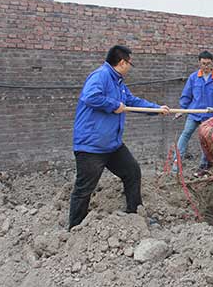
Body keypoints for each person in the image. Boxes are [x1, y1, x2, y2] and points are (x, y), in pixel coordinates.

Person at [69, 45, 170, 230]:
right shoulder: (101, 76)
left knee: (132, 171)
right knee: (84, 189)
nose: (130, 67)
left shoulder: (118, 82)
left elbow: (132, 101)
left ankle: (134, 213)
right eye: (130, 63)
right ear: (122, 62)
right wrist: (113, 104)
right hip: (92, 146)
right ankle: (75, 227)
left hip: (112, 145)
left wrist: (156, 109)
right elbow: (90, 96)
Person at [173, 51, 213, 176]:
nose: (206, 66)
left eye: (208, 64)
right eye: (203, 64)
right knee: (185, 135)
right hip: (194, 113)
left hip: (209, 116)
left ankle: (203, 167)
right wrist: (182, 109)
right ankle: (176, 164)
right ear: (199, 63)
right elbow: (186, 95)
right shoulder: (193, 78)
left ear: (212, 63)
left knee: (205, 141)